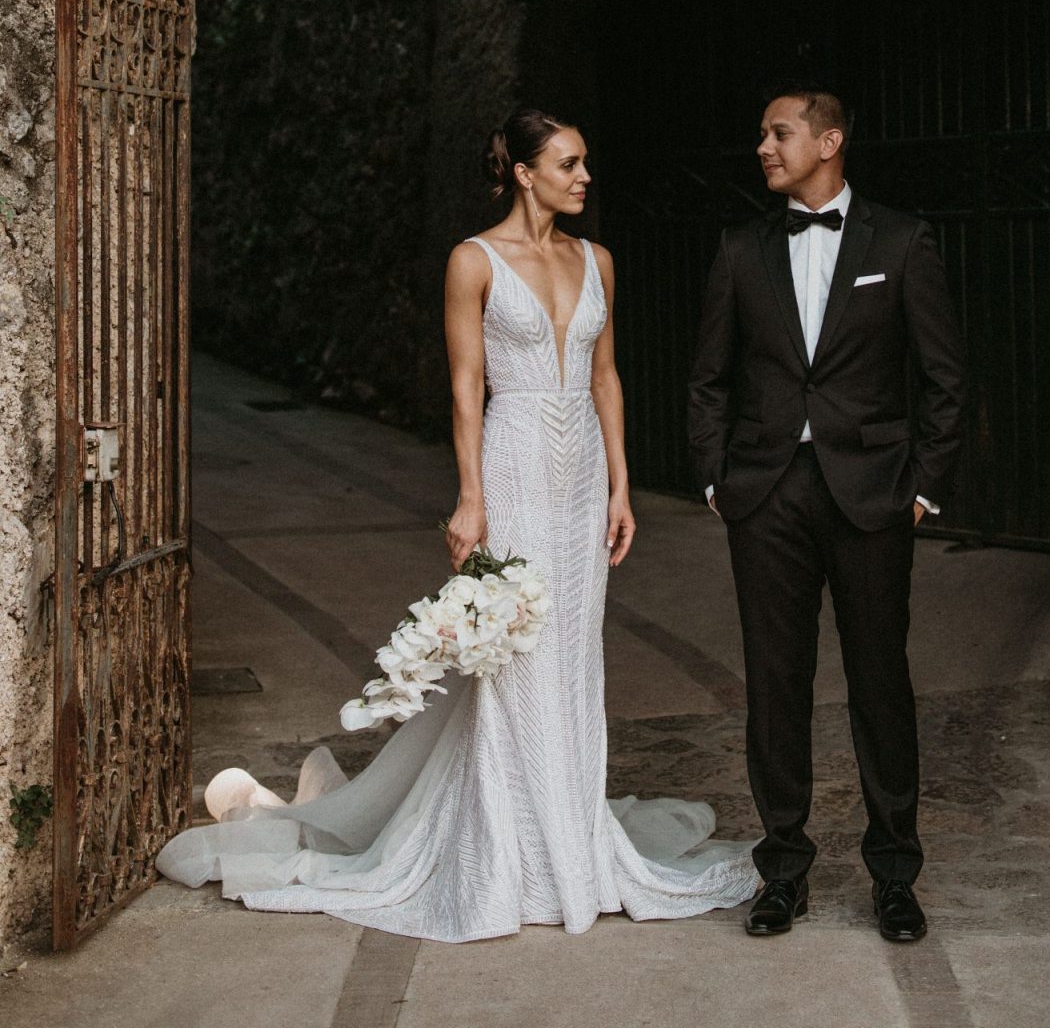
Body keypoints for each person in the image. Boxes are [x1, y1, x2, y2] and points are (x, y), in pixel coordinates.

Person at [158, 107, 756, 939]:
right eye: (571, 163)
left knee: (575, 658)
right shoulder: (473, 261)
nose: (585, 177)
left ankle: (572, 845)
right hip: (512, 465)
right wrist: (471, 497)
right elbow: (466, 385)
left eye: (585, 163)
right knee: (514, 658)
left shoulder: (598, 260)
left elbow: (607, 378)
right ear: (523, 170)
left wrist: (623, 488)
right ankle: (507, 849)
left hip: (582, 473)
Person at [688, 87, 966, 943]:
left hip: (872, 494)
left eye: (779, 133)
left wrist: (919, 488)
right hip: (767, 495)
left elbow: (944, 379)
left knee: (880, 685)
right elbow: (708, 380)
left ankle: (894, 875)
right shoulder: (741, 250)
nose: (764, 147)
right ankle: (783, 871)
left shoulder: (902, 239)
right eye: (764, 134)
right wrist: (716, 482)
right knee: (776, 684)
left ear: (829, 139)